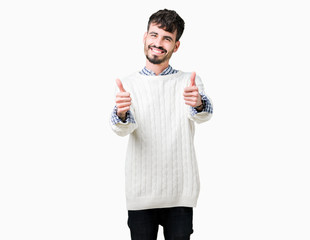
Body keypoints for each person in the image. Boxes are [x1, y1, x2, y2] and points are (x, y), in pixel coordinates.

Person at [110, 9, 213, 240]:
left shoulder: (188, 82)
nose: (158, 43)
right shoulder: (128, 85)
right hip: (141, 193)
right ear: (145, 37)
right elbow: (121, 128)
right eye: (154, 35)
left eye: (167, 38)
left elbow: (204, 115)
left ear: (176, 46)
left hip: (179, 194)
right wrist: (122, 113)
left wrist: (198, 103)